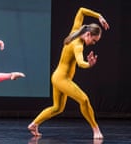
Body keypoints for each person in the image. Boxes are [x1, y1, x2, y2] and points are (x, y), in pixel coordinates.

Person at [28, 7, 109, 139]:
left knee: (58, 108)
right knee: (84, 100)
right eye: (94, 40)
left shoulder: (75, 31)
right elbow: (81, 63)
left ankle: (34, 124)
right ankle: (96, 130)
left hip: (56, 77)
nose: (93, 44)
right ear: (88, 34)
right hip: (62, 79)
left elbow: (81, 11)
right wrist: (89, 64)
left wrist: (99, 15)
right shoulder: (78, 45)